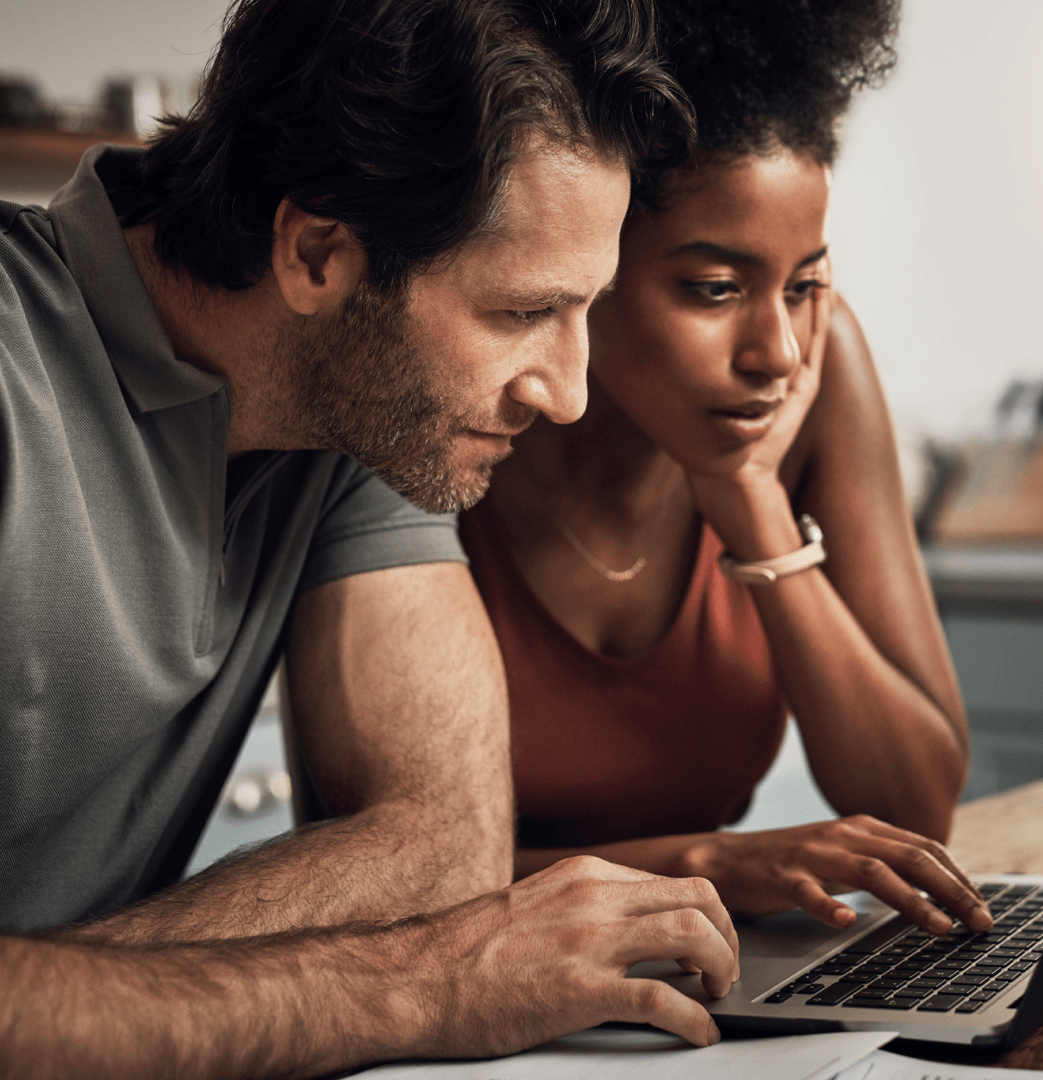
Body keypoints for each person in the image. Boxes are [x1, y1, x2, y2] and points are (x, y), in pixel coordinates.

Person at [0, 1, 754, 1075]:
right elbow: (431, 944)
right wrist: (418, 984)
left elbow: (442, 850)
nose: (571, 392)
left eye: (583, 309)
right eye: (519, 312)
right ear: (317, 254)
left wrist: (65, 1012)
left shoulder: (359, 407)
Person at [461, 0, 991, 931]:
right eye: (714, 289)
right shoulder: (454, 415)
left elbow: (918, 812)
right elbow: (377, 875)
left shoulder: (815, 374)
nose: (779, 351)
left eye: (806, 284)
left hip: (710, 979)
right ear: (586, 263)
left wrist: (751, 505)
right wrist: (699, 865)